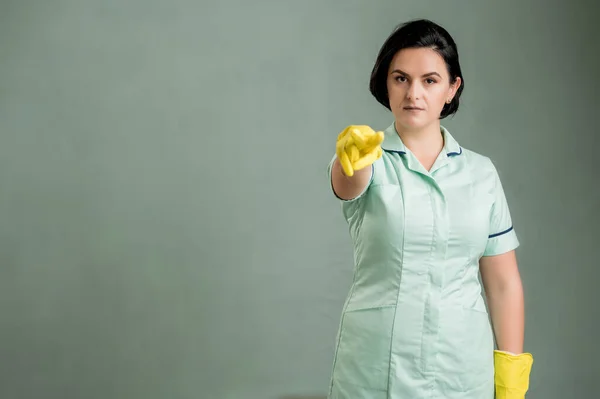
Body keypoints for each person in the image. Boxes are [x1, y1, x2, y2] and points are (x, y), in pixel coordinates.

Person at [326, 19, 534, 399]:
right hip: (374, 368)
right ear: (384, 83)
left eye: (430, 80)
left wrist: (511, 378)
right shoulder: (367, 158)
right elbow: (347, 182)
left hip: (461, 371)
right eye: (401, 78)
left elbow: (503, 283)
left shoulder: (481, 173)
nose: (414, 93)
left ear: (453, 88)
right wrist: (349, 158)